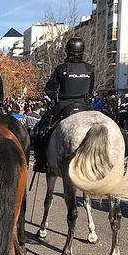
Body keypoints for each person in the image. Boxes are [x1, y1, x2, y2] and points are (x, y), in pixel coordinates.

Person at [33, 37, 95, 172]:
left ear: (67, 51)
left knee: (40, 130)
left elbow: (49, 89)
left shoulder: (61, 69)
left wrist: (55, 97)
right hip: (85, 105)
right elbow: (90, 90)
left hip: (64, 104)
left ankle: (41, 162)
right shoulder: (90, 69)